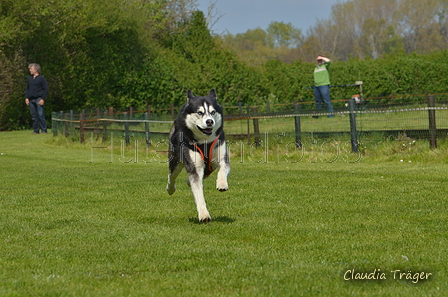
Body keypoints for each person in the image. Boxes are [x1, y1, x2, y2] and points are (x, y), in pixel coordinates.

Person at [25, 63, 48, 134]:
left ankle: (44, 130)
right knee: (34, 116)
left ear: (36, 70)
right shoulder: (29, 78)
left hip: (39, 98)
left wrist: (43, 98)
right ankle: (36, 130)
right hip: (31, 99)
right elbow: (27, 88)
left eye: (31, 68)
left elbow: (45, 89)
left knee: (40, 115)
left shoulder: (41, 78)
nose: (30, 70)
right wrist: (26, 97)